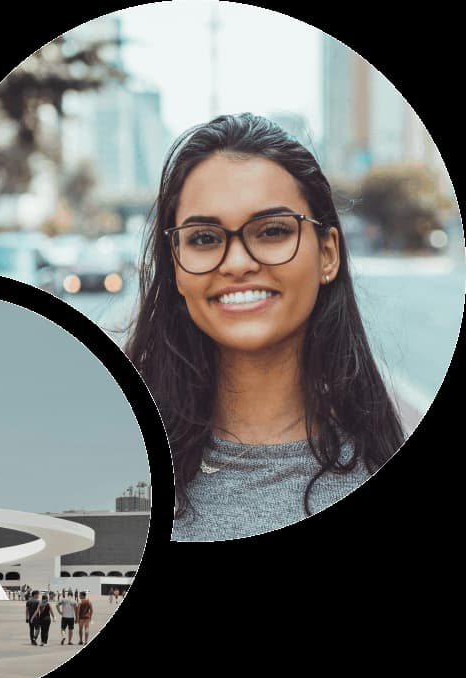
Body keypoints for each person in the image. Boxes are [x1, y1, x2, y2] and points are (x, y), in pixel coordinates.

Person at [125, 113, 404, 541]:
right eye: (204, 238)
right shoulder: (118, 460)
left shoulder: (371, 467)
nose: (237, 263)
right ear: (177, 263)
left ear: (327, 254)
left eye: (272, 231)